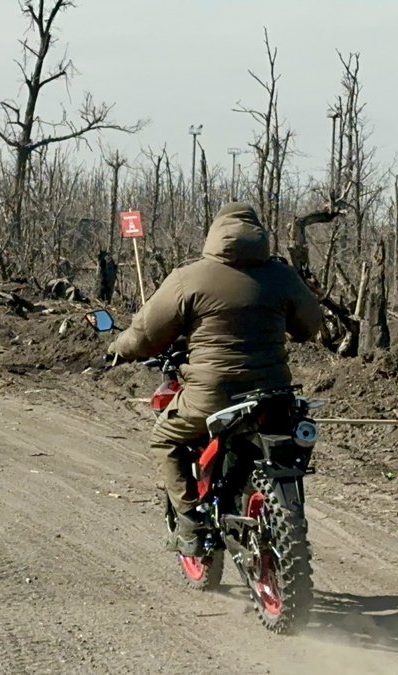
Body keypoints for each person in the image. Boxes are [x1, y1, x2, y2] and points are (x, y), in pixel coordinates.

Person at [107, 202, 324, 556]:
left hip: (214, 396)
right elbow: (310, 327)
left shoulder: (189, 278)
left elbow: (146, 335)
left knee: (165, 438)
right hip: (274, 394)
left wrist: (117, 350)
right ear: (260, 235)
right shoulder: (283, 276)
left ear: (215, 234)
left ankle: (191, 524)